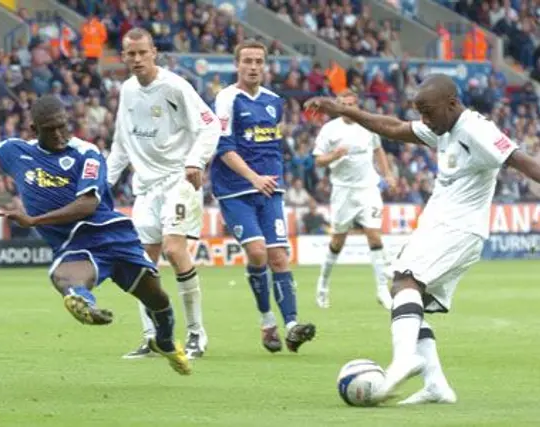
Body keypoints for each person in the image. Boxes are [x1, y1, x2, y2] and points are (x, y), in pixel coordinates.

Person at [305, 74, 540, 404]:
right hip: (438, 223)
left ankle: (404, 360)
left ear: (452, 104)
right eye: (422, 114)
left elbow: (524, 162)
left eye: (429, 112)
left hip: (458, 228)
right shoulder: (443, 126)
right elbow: (394, 128)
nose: (425, 120)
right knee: (407, 297)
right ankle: (435, 384)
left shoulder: (477, 130)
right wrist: (341, 110)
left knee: (406, 283)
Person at [0, 94, 191, 376]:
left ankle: (164, 341)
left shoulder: (86, 153)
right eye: (49, 129)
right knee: (64, 277)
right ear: (34, 130)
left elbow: (88, 204)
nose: (58, 134)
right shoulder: (18, 152)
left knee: (157, 299)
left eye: (62, 126)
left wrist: (34, 220)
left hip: (111, 234)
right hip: (74, 244)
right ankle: (82, 301)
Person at [107, 28, 220, 360]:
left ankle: (197, 335)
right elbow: (121, 144)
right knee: (142, 264)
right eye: (131, 54)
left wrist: (195, 161)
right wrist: (102, 184)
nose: (137, 59)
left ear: (154, 52)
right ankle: (153, 338)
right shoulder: (127, 91)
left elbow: (210, 124)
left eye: (143, 52)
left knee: (174, 249)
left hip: (178, 181)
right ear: (124, 56)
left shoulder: (174, 86)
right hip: (146, 188)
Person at [210, 40, 316, 354]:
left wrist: (276, 176)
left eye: (259, 61)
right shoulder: (227, 98)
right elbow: (224, 148)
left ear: (265, 65)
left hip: (271, 189)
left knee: (279, 256)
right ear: (237, 65)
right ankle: (267, 320)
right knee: (257, 253)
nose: (253, 66)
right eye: (247, 61)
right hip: (236, 189)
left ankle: (293, 326)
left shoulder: (274, 102)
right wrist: (253, 177)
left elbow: (270, 144)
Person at [312, 89, 395, 310]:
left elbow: (378, 150)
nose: (348, 108)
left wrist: (387, 174)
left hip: (368, 188)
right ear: (338, 105)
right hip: (343, 191)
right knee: (338, 241)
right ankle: (323, 284)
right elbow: (319, 160)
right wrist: (334, 156)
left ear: (356, 105)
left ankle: (381, 289)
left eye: (351, 104)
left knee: (374, 236)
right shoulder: (329, 130)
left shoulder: (367, 124)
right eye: (344, 104)